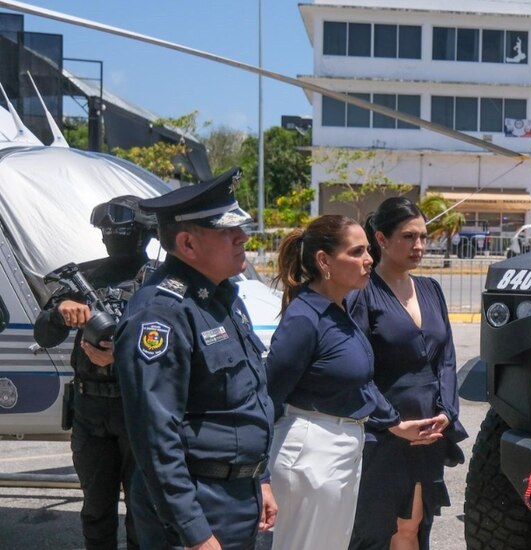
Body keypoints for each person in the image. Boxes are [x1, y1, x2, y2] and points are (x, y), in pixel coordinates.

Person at [113, 167, 277, 550]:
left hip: (240, 494)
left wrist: (261, 478)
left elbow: (245, 400)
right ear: (187, 244)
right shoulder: (161, 314)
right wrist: (194, 532)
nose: (243, 238)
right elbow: (156, 437)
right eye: (227, 231)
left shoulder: (224, 299)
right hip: (198, 504)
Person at [264, 215, 438, 550]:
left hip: (340, 447)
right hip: (311, 452)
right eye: (357, 252)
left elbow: (360, 383)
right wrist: (259, 476)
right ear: (324, 261)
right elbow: (268, 396)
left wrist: (396, 424)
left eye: (367, 250)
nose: (369, 259)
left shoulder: (339, 309)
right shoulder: (305, 317)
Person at [33, 195, 155, 550]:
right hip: (91, 411)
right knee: (97, 511)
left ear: (144, 235)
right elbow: (43, 333)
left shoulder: (160, 281)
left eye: (120, 232)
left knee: (144, 512)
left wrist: (122, 357)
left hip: (139, 409)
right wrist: (60, 312)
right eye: (106, 232)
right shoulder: (84, 277)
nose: (110, 239)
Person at [348, 197, 468, 550]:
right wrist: (391, 423)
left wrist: (447, 412)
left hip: (428, 433)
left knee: (414, 527)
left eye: (423, 237)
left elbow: (446, 358)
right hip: (383, 435)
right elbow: (356, 370)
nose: (419, 246)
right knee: (376, 531)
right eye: (408, 237)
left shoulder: (431, 289)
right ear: (381, 239)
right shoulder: (362, 294)